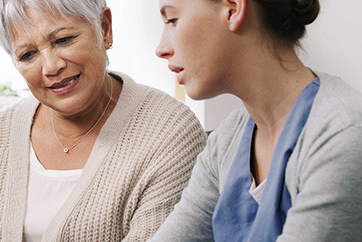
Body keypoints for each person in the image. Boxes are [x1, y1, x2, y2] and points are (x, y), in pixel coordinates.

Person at [0, 0, 207, 241]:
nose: (51, 67)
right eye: (28, 55)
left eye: (63, 40)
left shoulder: (170, 131)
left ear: (104, 28)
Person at [151, 0, 362, 241]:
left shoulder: (343, 137)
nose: (161, 48)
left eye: (172, 20)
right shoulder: (227, 140)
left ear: (233, 8)